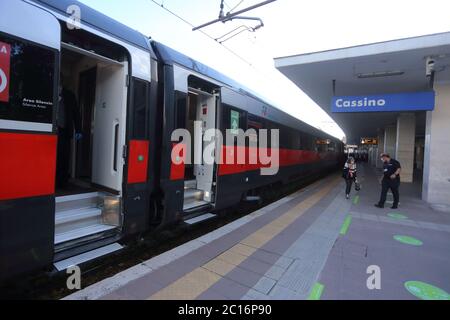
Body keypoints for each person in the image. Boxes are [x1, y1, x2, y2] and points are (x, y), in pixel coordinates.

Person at [56, 84, 82, 188]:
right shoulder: (49, 91)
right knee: (53, 157)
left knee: (64, 157)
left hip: (65, 131)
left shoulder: (70, 95)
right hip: (50, 130)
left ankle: (63, 182)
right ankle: (53, 180)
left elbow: (76, 113)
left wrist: (78, 130)